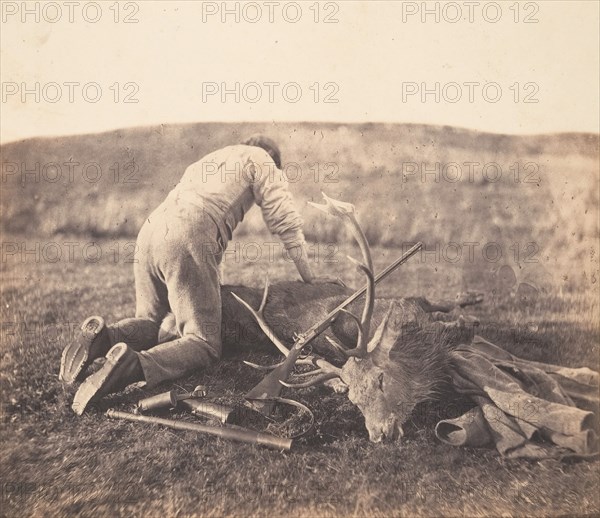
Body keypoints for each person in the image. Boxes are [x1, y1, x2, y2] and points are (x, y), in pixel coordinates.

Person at [62, 135, 338, 414]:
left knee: (152, 320)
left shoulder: (212, 158)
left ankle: (105, 338)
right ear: (272, 158)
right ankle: (133, 364)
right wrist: (309, 278)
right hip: (188, 234)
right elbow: (286, 222)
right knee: (203, 342)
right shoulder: (263, 160)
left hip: (150, 231)